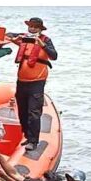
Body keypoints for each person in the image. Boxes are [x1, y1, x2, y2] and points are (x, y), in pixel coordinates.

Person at [7, 18, 58, 151]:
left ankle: (33, 141)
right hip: (21, 81)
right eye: (31, 26)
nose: (33, 29)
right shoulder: (24, 38)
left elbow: (54, 55)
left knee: (34, 112)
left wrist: (41, 44)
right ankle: (27, 135)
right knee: (23, 110)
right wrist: (14, 38)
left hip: (37, 82)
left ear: (40, 29)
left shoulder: (46, 40)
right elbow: (7, 35)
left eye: (36, 27)